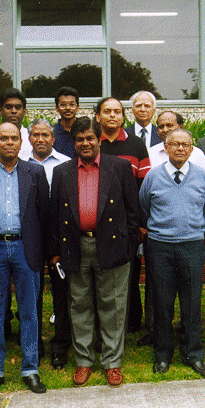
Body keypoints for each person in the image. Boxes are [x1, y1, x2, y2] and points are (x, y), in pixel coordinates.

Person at [49, 116, 139, 387]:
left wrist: (127, 246)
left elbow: (133, 211)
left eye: (89, 138)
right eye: (79, 139)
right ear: (73, 143)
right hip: (76, 246)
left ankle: (112, 362)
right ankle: (84, 360)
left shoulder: (119, 167)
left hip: (111, 245)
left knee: (113, 305)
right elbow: (55, 215)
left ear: (98, 138)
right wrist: (57, 250)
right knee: (79, 304)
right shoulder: (62, 171)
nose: (85, 143)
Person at [0, 122, 50, 396]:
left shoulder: (35, 172)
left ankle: (30, 369)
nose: (9, 143)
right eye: (3, 138)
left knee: (29, 311)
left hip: (26, 247)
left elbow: (43, 212)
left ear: (21, 142)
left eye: (14, 138)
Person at [141, 130, 205, 376]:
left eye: (185, 144)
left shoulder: (203, 176)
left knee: (192, 302)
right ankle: (163, 354)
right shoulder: (153, 176)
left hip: (191, 246)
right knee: (162, 302)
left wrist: (194, 230)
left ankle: (193, 353)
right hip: (160, 246)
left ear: (192, 149)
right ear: (166, 147)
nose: (181, 148)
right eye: (175, 144)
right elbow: (144, 206)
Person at [96, 96, 151, 342]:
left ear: (122, 116)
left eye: (117, 112)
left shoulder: (136, 145)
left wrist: (141, 223)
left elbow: (144, 188)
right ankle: (100, 326)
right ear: (98, 116)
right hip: (95, 223)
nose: (112, 116)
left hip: (126, 224)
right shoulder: (91, 142)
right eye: (107, 111)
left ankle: (130, 324)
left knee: (128, 277)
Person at [26, 118, 72, 369]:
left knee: (61, 292)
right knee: (31, 291)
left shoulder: (66, 163)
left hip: (58, 235)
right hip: (30, 234)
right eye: (36, 134)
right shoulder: (20, 164)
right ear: (29, 139)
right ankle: (34, 343)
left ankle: (60, 345)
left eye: (46, 135)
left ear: (53, 138)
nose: (41, 139)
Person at [52, 86, 79, 158]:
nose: (67, 108)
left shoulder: (85, 130)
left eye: (71, 104)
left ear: (77, 107)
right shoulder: (51, 132)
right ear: (57, 108)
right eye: (63, 105)